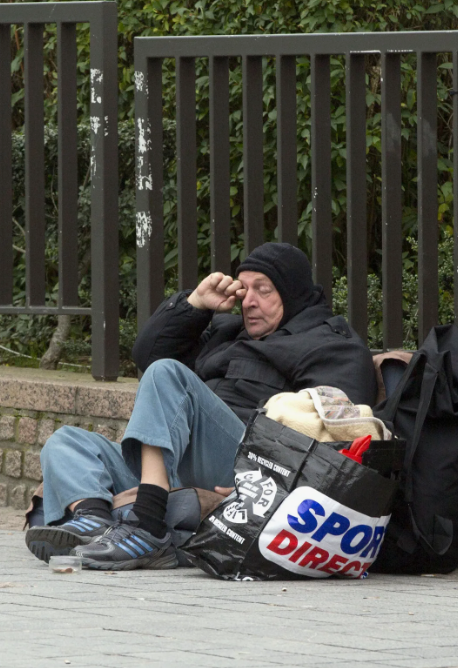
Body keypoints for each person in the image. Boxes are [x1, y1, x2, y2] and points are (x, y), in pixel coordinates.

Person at [25, 243, 376, 570]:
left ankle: (146, 526)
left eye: (264, 290)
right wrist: (195, 304)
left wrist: (265, 486)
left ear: (293, 292)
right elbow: (148, 354)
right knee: (66, 441)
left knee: (168, 374)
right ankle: (93, 520)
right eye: (244, 289)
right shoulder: (227, 332)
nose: (249, 302)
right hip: (174, 463)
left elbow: (342, 440)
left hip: (250, 470)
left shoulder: (330, 346)